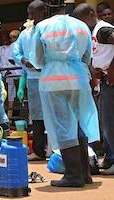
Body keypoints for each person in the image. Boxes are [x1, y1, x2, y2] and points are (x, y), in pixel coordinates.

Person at [34, 0, 100, 187]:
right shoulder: (81, 25)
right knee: (80, 124)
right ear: (66, 6)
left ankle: (72, 175)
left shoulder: (42, 26)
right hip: (79, 78)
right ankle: (84, 173)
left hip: (54, 81)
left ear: (47, 8)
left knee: (63, 126)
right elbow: (88, 56)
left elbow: (38, 59)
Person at [73, 4, 114, 175]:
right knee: (106, 122)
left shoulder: (103, 29)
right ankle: (110, 158)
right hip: (104, 80)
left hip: (111, 80)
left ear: (91, 14)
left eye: (81, 20)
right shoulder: (95, 31)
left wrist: (111, 70)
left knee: (109, 123)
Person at [14, 0, 47, 161]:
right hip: (33, 78)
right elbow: (17, 52)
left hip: (50, 77)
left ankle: (55, 150)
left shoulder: (49, 29)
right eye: (29, 13)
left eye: (33, 13)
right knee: (37, 116)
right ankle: (39, 151)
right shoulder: (25, 33)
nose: (30, 17)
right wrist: (24, 61)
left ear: (43, 12)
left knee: (54, 114)